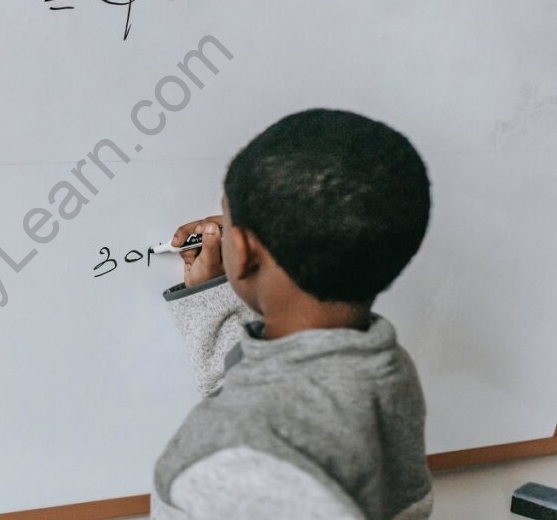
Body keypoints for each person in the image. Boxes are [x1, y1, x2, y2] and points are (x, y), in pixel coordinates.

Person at [151, 109, 433, 519]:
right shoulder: (385, 371)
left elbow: (259, 416)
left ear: (242, 250)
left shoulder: (224, 461)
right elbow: (271, 385)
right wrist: (215, 295)